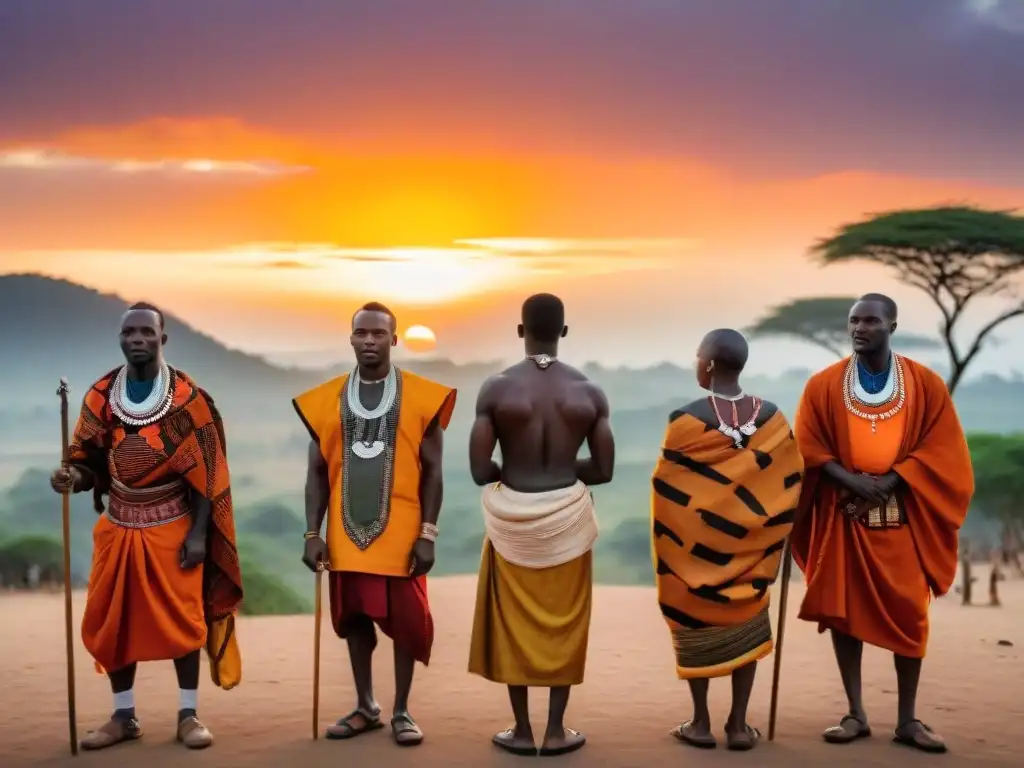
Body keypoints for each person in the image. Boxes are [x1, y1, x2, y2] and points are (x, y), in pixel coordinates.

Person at [49, 302, 243, 751]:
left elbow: (206, 472)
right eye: (129, 332)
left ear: (162, 339)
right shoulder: (101, 395)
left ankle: (188, 714)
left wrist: (198, 535)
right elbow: (88, 461)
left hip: (173, 525)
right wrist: (71, 477)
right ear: (120, 339)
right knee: (112, 620)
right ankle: (123, 716)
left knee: (182, 621)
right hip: (117, 525)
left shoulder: (187, 399)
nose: (137, 339)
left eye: (145, 332)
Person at [791, 293, 973, 754]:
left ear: (892, 324)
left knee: (912, 614)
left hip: (901, 523)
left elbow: (941, 447)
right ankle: (855, 712)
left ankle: (908, 719)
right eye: (854, 321)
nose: (859, 328)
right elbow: (807, 448)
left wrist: (892, 479)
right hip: (844, 520)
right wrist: (849, 480)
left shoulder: (925, 384)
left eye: (870, 321)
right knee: (843, 614)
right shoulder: (823, 386)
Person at [293, 301, 456, 747]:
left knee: (406, 621)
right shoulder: (325, 399)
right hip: (346, 535)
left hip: (403, 534)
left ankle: (402, 709)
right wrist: (312, 533)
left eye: (378, 334)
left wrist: (428, 533)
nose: (369, 340)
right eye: (361, 333)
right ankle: (366, 706)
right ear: (350, 338)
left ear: (394, 339)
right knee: (355, 620)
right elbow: (316, 473)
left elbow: (435, 471)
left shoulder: (424, 398)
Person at [467, 293, 614, 757]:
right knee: (565, 623)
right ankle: (555, 730)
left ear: (520, 330)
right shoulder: (589, 392)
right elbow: (604, 469)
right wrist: (564, 475)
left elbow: (478, 470)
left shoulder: (496, 389)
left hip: (513, 521)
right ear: (564, 332)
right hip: (568, 520)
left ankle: (522, 729)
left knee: (513, 624)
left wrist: (515, 474)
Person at [651, 329, 802, 751]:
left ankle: (700, 723)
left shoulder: (685, 419)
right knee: (747, 622)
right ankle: (737, 725)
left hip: (693, 556)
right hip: (752, 552)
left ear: (711, 363)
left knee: (694, 621)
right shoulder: (772, 417)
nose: (696, 364)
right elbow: (791, 482)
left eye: (698, 357)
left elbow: (670, 491)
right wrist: (772, 529)